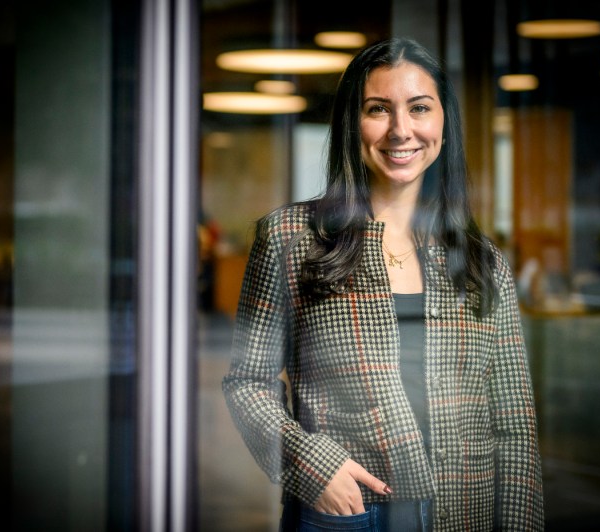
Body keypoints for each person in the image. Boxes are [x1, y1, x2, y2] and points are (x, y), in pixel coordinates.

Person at [223, 37, 544, 531]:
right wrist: (311, 464)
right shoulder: (291, 237)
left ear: (443, 121)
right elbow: (248, 383)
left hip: (465, 511)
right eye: (378, 109)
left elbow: (515, 427)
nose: (401, 130)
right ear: (353, 122)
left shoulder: (483, 261)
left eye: (419, 108)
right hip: (346, 512)